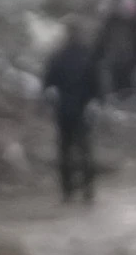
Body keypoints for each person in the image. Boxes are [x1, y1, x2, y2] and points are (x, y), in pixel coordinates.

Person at [40, 18, 104, 205]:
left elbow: (47, 84)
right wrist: (97, 102)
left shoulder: (58, 56)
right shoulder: (88, 55)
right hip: (83, 110)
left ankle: (67, 192)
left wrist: (50, 100)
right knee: (84, 151)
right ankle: (88, 191)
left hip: (65, 109)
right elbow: (97, 83)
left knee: (65, 152)